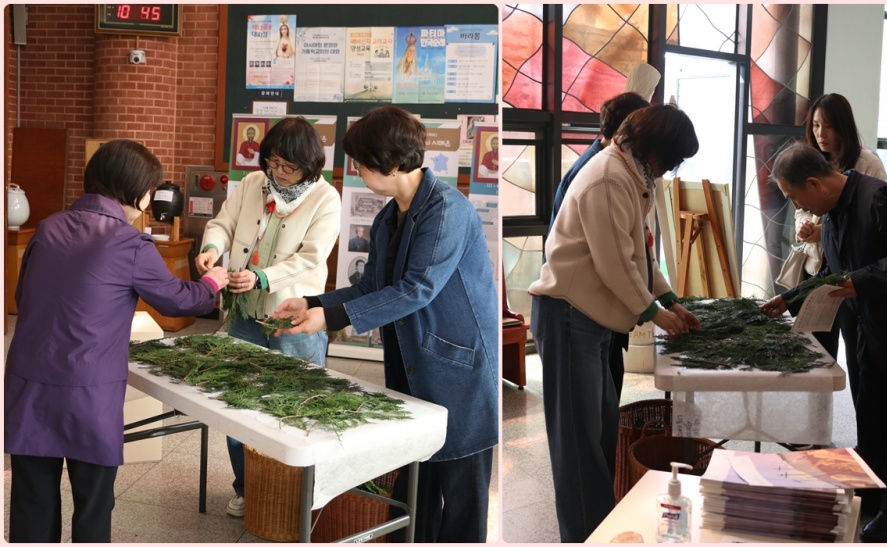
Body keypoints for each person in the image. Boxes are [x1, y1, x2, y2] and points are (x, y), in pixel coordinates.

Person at [272, 105, 498, 543]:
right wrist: (313, 303)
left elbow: (417, 289)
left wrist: (330, 318)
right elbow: (371, 286)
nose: (355, 170)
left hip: (457, 369)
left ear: (391, 163)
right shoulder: (387, 216)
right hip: (414, 365)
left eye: (361, 162)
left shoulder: (447, 210)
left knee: (463, 500)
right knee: (415, 490)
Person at [4, 139, 230, 543]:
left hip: (28, 383)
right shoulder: (130, 243)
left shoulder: (47, 227)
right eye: (150, 190)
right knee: (93, 505)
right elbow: (179, 301)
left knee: (31, 502)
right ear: (137, 191)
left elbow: (23, 299)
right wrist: (212, 283)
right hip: (88, 393)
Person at [760, 143, 887, 543]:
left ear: (813, 183)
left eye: (794, 196)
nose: (796, 206)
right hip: (870, 325)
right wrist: (790, 297)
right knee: (870, 412)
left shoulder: (878, 198)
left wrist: (862, 280)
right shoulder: (832, 212)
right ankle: (872, 488)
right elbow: (832, 270)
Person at [528, 104, 702, 542]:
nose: (671, 168)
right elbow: (615, 264)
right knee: (579, 448)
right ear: (655, 147)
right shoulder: (608, 177)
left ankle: (599, 532)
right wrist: (655, 314)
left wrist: (669, 298)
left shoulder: (631, 176)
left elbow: (640, 252)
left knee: (600, 438)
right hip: (569, 315)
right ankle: (586, 538)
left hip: (592, 319)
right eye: (672, 158)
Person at [194, 115, 342, 518]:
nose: (278, 172)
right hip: (245, 315)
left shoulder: (325, 198)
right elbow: (223, 223)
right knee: (238, 404)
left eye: (288, 166)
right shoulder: (252, 184)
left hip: (293, 320)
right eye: (273, 162)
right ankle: (247, 488)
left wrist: (262, 277)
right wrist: (212, 248)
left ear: (310, 164)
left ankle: (297, 495)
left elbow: (311, 258)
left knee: (296, 406)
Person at [546, 91, 650, 400]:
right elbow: (613, 259)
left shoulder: (621, 167)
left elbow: (633, 245)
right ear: (630, 130)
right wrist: (652, 310)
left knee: (606, 401)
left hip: (602, 302)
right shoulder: (602, 173)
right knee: (587, 409)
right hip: (582, 303)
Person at [799, 93, 887, 407]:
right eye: (816, 125)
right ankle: (814, 421)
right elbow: (801, 206)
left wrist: (823, 232)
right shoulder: (811, 160)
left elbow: (876, 219)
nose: (821, 134)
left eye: (829, 126)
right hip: (818, 270)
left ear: (844, 127)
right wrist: (804, 225)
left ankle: (866, 426)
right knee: (816, 356)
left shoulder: (867, 164)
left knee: (858, 358)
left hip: (852, 278)